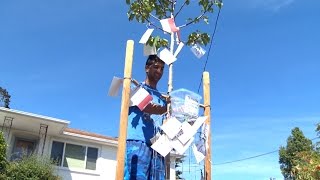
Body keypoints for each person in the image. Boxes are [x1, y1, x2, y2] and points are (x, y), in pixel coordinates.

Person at [124, 55, 167, 180]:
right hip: (138, 141)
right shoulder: (135, 88)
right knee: (136, 177)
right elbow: (147, 107)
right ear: (147, 68)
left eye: (162, 68)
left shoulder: (162, 97)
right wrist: (169, 108)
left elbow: (166, 120)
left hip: (158, 146)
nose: (159, 71)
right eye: (156, 67)